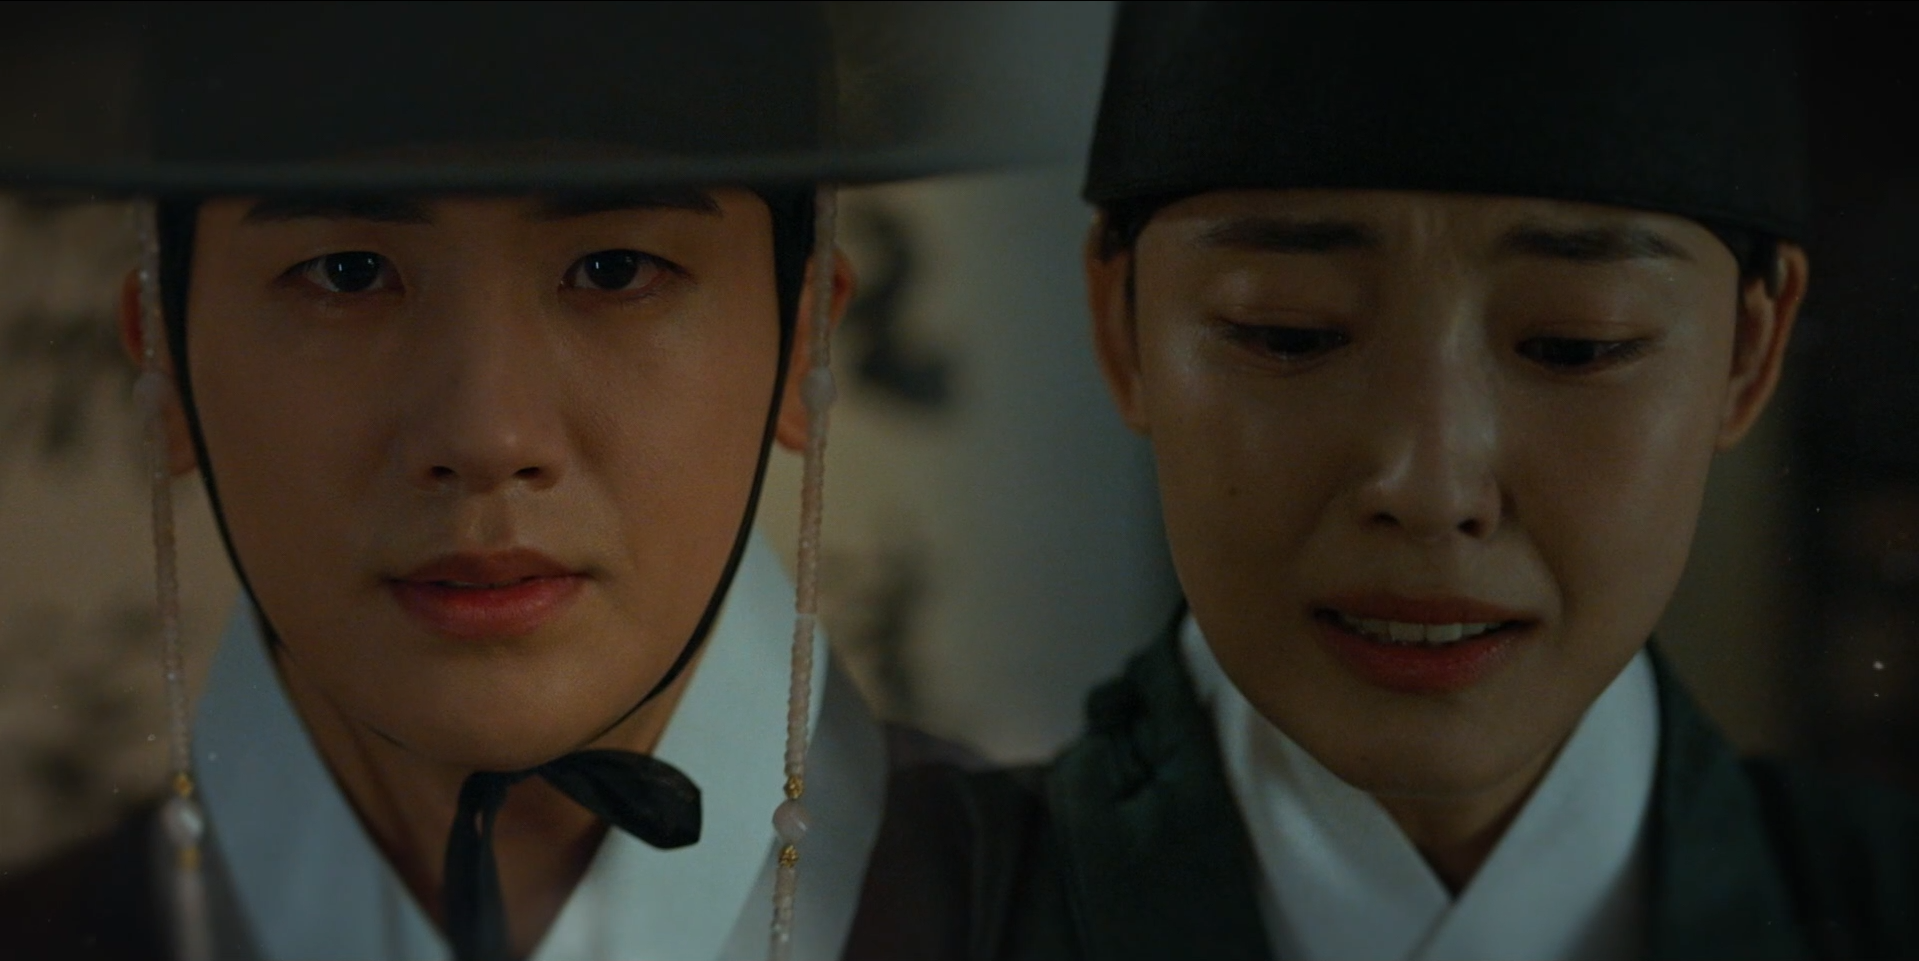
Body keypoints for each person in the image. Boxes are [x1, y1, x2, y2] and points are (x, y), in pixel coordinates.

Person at [850, 3, 1919, 959]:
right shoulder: (865, 911)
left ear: (1746, 351)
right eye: (1287, 331)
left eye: (1575, 345)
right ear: (1121, 326)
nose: (1430, 486)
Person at [0, 4, 995, 959]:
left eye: (614, 270)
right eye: (347, 273)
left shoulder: (1050, 903)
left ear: (803, 340)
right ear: (163, 360)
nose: (486, 435)